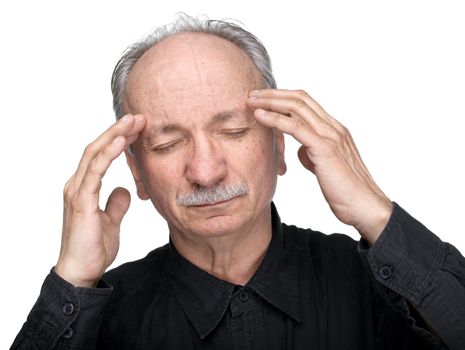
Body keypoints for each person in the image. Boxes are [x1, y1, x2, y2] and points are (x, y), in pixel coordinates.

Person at [11, 15, 465, 350]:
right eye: (168, 144)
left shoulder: (371, 283)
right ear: (137, 173)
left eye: (232, 132)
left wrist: (376, 214)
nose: (206, 172)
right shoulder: (100, 316)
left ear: (280, 146)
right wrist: (72, 281)